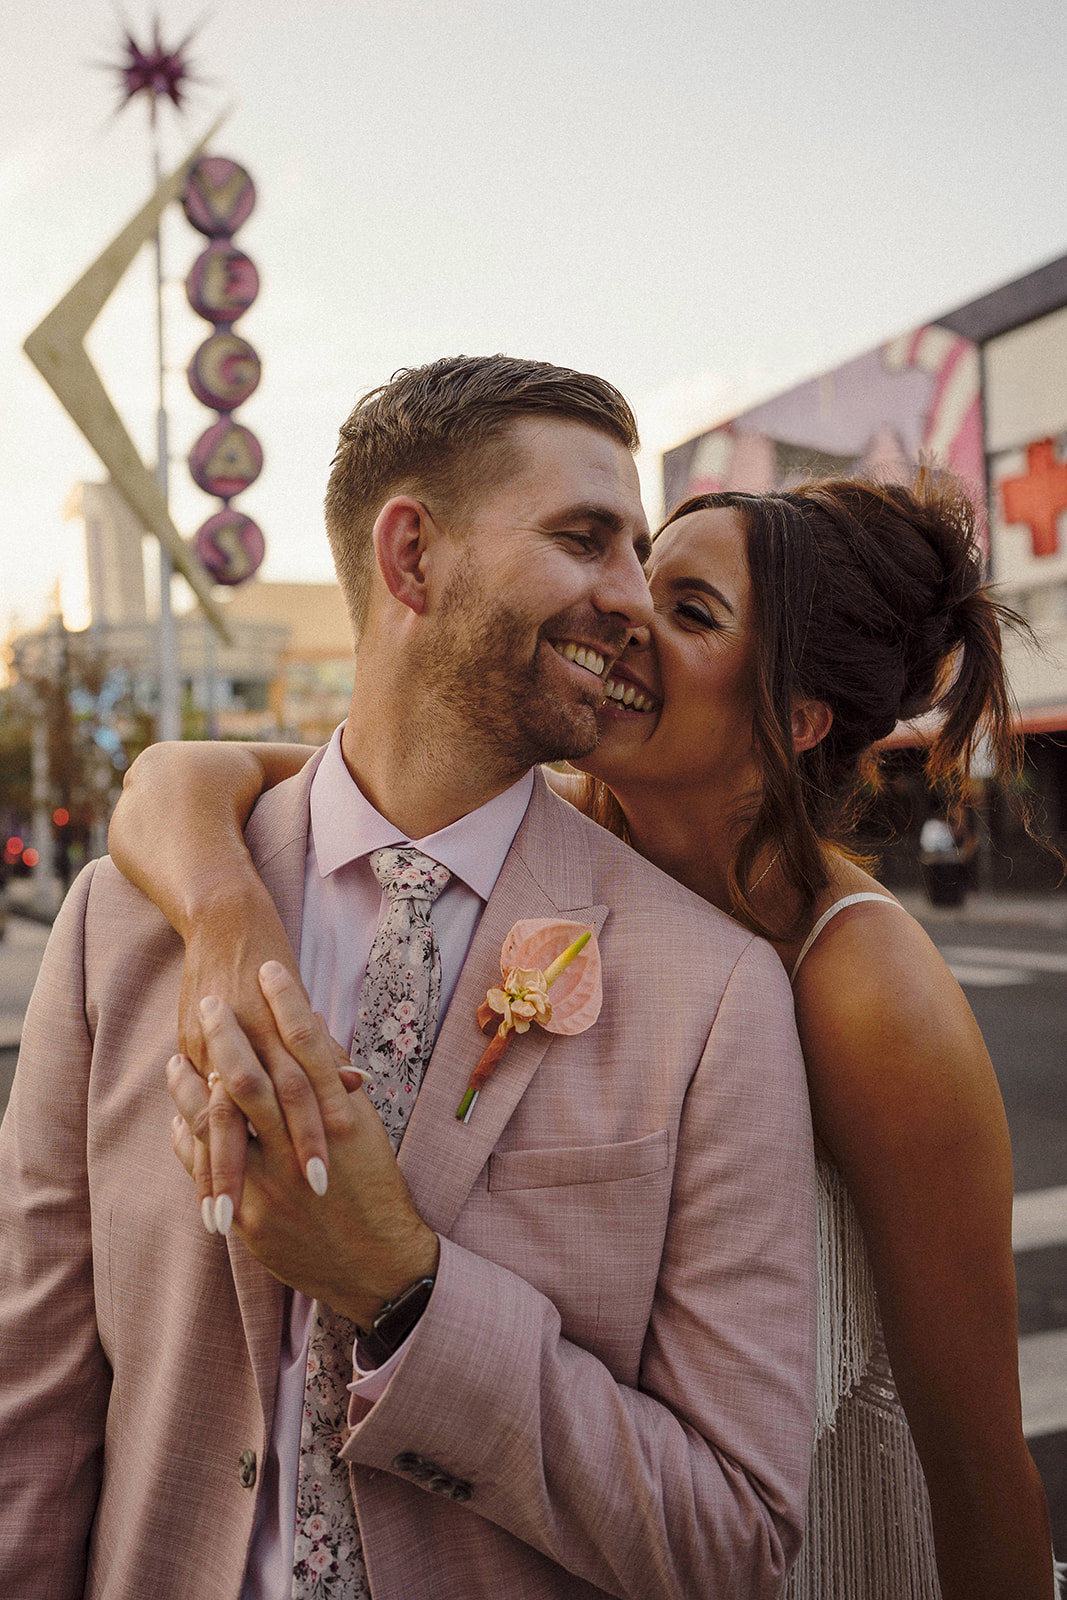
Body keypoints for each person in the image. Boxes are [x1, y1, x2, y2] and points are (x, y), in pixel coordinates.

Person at [111, 469, 1060, 1599]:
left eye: (689, 611)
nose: (623, 613)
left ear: (798, 715)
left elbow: (974, 1455)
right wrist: (224, 913)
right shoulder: (559, 819)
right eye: (635, 577)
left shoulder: (862, 987)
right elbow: (180, 777)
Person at [0, 356, 817, 1600]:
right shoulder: (122, 928)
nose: (633, 602)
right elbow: (32, 1419)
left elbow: (738, 1542)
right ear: (411, 558)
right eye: (586, 540)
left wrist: (406, 1290)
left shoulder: (714, 995)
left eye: (640, 558)